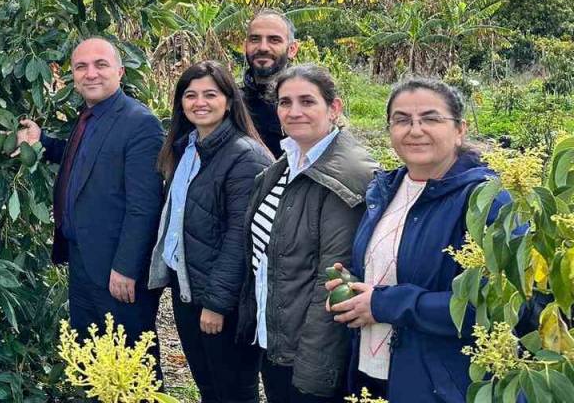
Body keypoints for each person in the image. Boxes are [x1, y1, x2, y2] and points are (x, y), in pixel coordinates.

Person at [327, 78, 508, 402]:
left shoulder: (486, 200)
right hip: (374, 373)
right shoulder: (385, 190)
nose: (414, 130)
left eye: (430, 118)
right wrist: (354, 291)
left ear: (460, 129)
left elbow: (497, 308)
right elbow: (392, 270)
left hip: (439, 385)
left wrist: (383, 303)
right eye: (402, 120)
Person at [16, 37, 167, 382]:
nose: (90, 73)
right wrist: (42, 142)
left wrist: (126, 267)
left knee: (133, 365)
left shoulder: (138, 123)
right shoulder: (90, 115)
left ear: (120, 71)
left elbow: (145, 206)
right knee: (94, 358)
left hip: (117, 269)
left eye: (100, 65)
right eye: (81, 67)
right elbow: (81, 161)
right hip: (84, 260)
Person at [237, 65, 377, 403]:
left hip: (309, 358)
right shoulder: (283, 167)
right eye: (285, 103)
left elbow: (332, 283)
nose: (294, 111)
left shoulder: (349, 175)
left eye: (307, 101)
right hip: (277, 343)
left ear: (334, 108)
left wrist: (312, 371)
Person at [145, 61, 271, 402]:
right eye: (190, 95)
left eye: (210, 94)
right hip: (189, 288)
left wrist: (216, 305)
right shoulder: (186, 148)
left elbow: (240, 238)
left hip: (223, 301)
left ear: (229, 101)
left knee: (233, 392)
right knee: (209, 387)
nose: (199, 102)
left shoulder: (245, 156)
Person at [242, 10, 300, 159]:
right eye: (255, 39)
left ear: (292, 49)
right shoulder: (229, 99)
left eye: (274, 40)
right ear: (245, 46)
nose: (263, 47)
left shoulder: (308, 101)